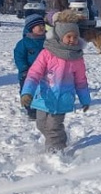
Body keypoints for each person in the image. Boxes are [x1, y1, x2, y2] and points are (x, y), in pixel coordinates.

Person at [20, 10, 91, 153]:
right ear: (59, 36)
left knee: (53, 127)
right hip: (44, 97)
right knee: (41, 124)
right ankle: (59, 139)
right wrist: (27, 92)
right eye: (68, 36)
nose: (72, 40)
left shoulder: (76, 57)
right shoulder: (47, 53)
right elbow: (34, 74)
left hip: (62, 99)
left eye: (75, 37)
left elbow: (81, 81)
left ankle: (56, 151)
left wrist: (85, 99)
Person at [13, 14, 46, 120]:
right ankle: (31, 109)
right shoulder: (24, 43)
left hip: (45, 72)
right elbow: (19, 57)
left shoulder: (48, 41)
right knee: (29, 90)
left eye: (43, 25)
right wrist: (24, 69)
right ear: (31, 28)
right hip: (28, 73)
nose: (42, 27)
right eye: (38, 26)